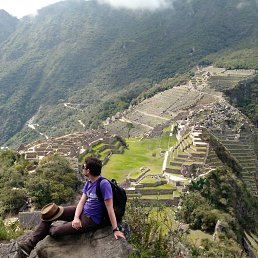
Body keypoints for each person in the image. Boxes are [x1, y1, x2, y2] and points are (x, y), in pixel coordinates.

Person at [18, 157, 125, 257]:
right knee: (50, 214)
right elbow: (81, 202)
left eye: (84, 167)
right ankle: (29, 245)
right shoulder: (89, 182)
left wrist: (115, 229)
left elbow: (110, 209)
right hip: (82, 212)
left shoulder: (103, 184)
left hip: (91, 220)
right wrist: (76, 218)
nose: (82, 168)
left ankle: (43, 231)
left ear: (88, 171)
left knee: (54, 232)